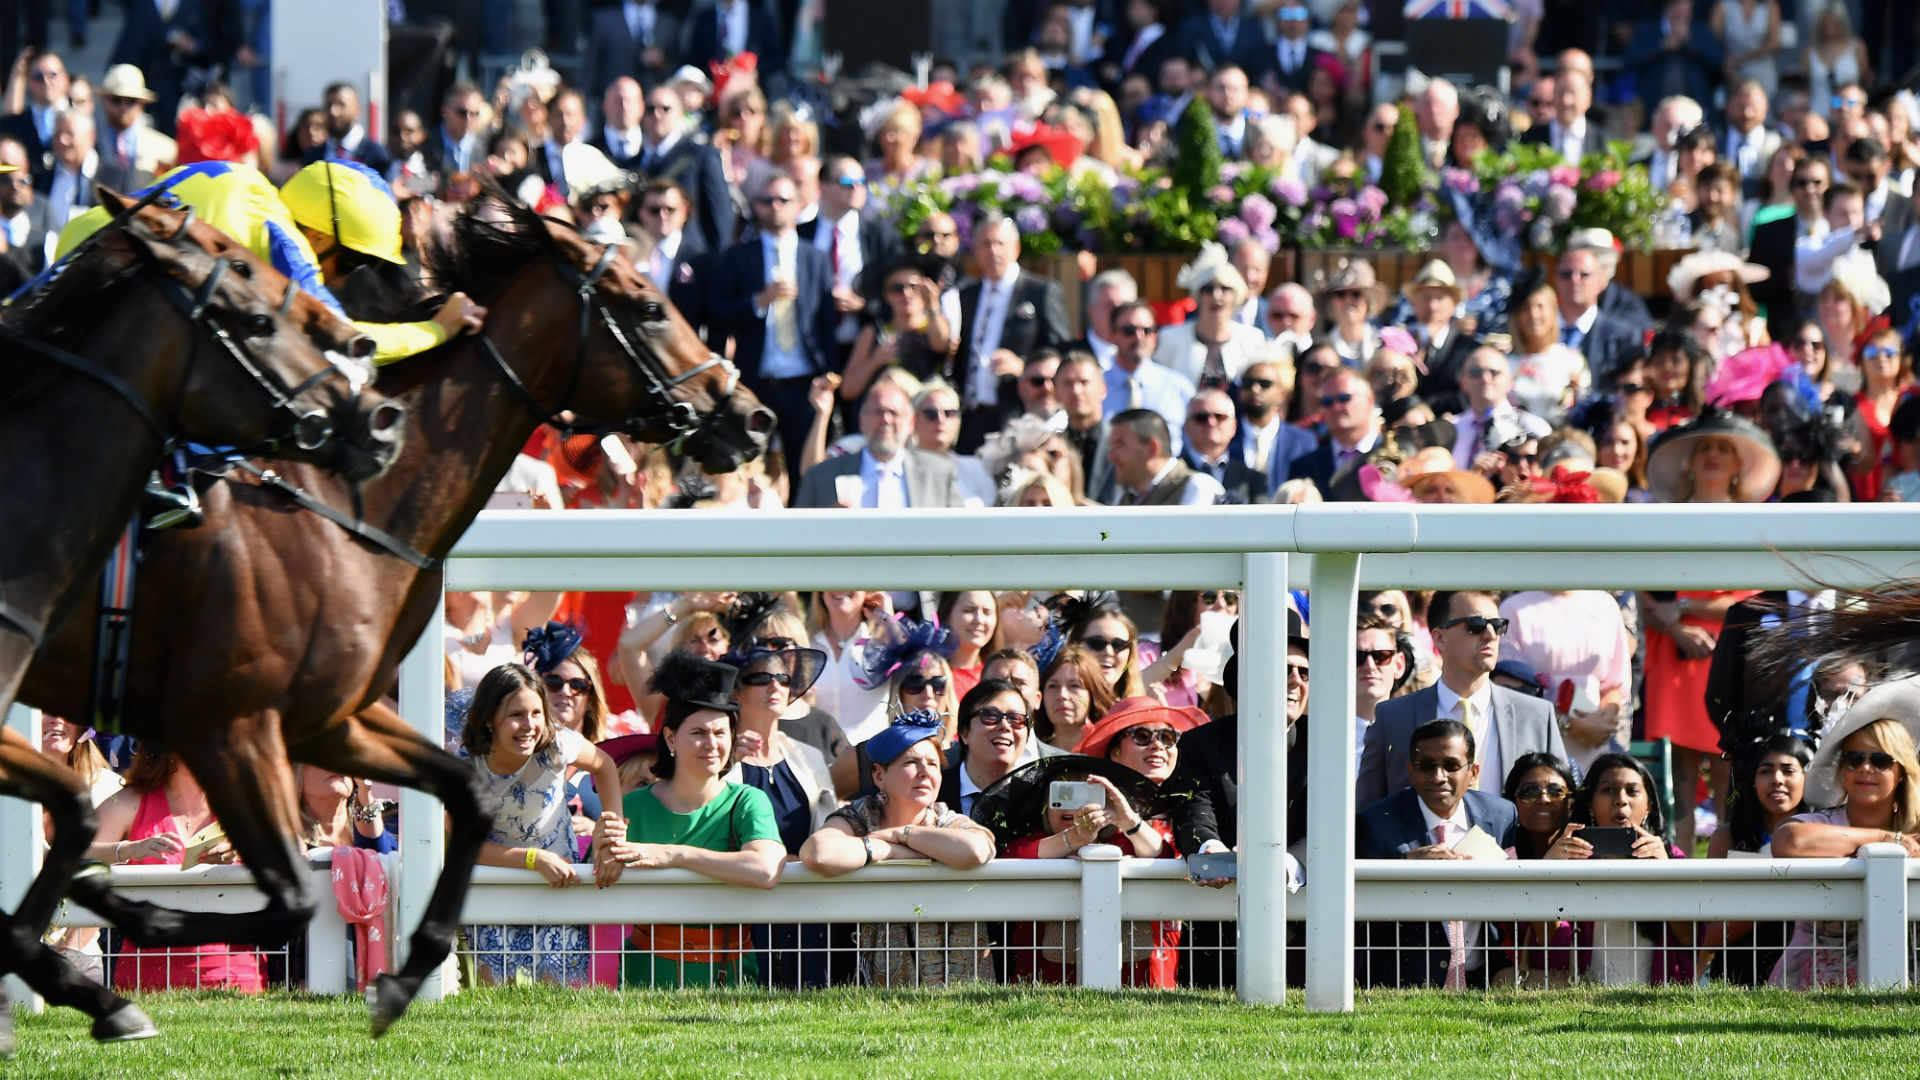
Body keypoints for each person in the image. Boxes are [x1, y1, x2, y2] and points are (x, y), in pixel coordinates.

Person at [599, 652, 785, 988]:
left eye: (721, 732)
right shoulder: (633, 806)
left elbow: (767, 870)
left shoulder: (748, 800)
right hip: (647, 977)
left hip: (728, 981)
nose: (711, 744)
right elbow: (599, 880)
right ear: (670, 738)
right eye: (698, 732)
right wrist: (603, 850)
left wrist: (674, 855)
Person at [1641, 411, 1779, 849]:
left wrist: (1683, 608)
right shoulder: (1662, 518)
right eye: (1705, 448)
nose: (1714, 456)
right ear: (1689, 461)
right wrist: (1673, 623)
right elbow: (1639, 584)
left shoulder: (1750, 522)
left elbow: (1751, 598)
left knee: (1727, 769)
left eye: (1724, 448)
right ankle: (1677, 871)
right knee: (1674, 775)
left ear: (1739, 464)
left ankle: (1725, 879)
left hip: (1727, 653)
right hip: (1672, 656)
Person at [799, 711, 996, 987]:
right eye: (911, 762)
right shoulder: (859, 817)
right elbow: (819, 853)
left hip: (954, 991)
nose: (925, 772)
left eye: (933, 764)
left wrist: (903, 835)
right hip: (865, 988)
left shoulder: (944, 819)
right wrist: (887, 850)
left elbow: (977, 850)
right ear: (879, 775)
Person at [1167, 612, 1310, 988]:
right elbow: (1190, 807)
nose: (1295, 681)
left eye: (1304, 672)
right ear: (1247, 678)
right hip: (1213, 936)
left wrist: (1286, 862)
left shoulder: (1325, 743)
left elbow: (1332, 825)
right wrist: (1209, 848)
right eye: (1284, 669)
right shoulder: (1200, 744)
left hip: (1309, 936)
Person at [463, 663, 623, 986]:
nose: (530, 725)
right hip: (498, 883)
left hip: (560, 882)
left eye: (537, 713)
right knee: (494, 995)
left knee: (559, 992)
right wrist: (533, 859)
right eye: (516, 715)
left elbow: (604, 767)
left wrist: (611, 832)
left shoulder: (558, 745)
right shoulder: (467, 767)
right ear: (489, 718)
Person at [1770, 682, 1920, 987]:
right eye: (1855, 759)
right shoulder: (1819, 821)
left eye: (1880, 760)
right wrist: (1885, 839)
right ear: (1843, 770)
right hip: (1807, 985)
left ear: (1901, 770)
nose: (1866, 768)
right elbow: (1789, 842)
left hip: (1904, 983)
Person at [1359, 591, 1568, 808]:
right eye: (1475, 625)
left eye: (1496, 625)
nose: (1490, 635)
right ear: (1440, 637)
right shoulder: (1393, 716)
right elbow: (1368, 811)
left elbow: (1561, 801)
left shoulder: (1536, 715)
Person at [1356, 718, 1520, 988]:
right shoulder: (1375, 823)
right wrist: (1403, 866)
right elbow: (1360, 906)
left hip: (1484, 979)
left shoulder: (1501, 815)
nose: (1438, 776)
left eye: (1451, 766)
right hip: (1403, 987)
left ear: (1474, 772)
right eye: (1426, 766)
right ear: (1411, 771)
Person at [88, 746, 263, 992]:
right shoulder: (128, 800)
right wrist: (126, 850)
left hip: (235, 975)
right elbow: (70, 851)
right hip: (145, 975)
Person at [712, 172, 839, 482]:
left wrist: (830, 373)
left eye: (784, 200)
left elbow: (825, 322)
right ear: (756, 206)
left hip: (804, 385)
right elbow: (717, 313)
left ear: (799, 205)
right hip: (757, 383)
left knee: (806, 473)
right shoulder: (738, 257)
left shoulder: (815, 257)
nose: (776, 207)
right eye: (767, 200)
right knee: (748, 471)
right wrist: (759, 301)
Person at [723, 643, 836, 988]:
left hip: (805, 905)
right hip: (738, 906)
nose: (775, 686)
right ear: (737, 691)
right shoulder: (716, 755)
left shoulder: (809, 756)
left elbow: (830, 826)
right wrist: (727, 759)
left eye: (783, 678)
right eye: (761, 677)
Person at [1546, 752, 1692, 984]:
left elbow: (1691, 939)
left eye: (1632, 791)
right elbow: (1551, 945)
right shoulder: (1571, 860)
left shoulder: (1671, 857)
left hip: (1657, 999)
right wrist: (1547, 872)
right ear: (1591, 804)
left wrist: (1665, 874)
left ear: (1648, 806)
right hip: (1582, 998)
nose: (1621, 800)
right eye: (1609, 790)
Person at [1700, 733, 1811, 985]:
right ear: (1751, 780)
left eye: (1788, 770)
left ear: (1807, 778)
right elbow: (1707, 936)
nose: (1777, 780)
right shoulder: (1727, 836)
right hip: (1737, 972)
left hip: (1808, 969)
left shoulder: (1824, 833)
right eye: (1765, 771)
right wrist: (1771, 900)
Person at [954, 214, 1072, 452]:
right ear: (975, 251)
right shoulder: (967, 294)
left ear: (1016, 249)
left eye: (1000, 244)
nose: (993, 251)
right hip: (970, 416)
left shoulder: (1041, 291)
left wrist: (1024, 368)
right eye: (986, 244)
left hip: (1017, 414)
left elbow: (1061, 351)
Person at [1498, 589, 1633, 777]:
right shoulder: (1512, 608)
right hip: (1536, 740)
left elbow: (1616, 682)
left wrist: (1603, 720)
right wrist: (1566, 723)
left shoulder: (1605, 604)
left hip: (1593, 742)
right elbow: (1508, 688)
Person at [793, 381, 966, 508]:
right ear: (861, 421)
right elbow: (799, 538)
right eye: (878, 412)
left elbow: (960, 536)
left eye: (894, 413)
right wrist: (830, 525)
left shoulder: (939, 473)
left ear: (911, 423)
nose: (886, 420)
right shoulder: (822, 475)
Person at [1500, 753, 1581, 985]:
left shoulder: (1587, 857)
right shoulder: (1500, 856)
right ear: (1511, 801)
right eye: (1530, 792)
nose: (1543, 799)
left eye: (1556, 791)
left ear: (1571, 802)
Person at [634, 82, 732, 254]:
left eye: (665, 109)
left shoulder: (702, 155)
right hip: (643, 259)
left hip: (689, 263)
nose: (657, 114)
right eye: (650, 109)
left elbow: (721, 217)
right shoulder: (634, 162)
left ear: (680, 113)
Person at [1154, 242, 1267, 388]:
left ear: (1236, 295)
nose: (1216, 296)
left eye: (1225, 289)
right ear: (1198, 296)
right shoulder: (1170, 338)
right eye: (1208, 289)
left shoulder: (1253, 339)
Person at [841, 254, 952, 398]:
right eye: (897, 288)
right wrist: (874, 361)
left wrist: (933, 305)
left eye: (915, 286)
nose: (906, 293)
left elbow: (942, 344)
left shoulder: (936, 323)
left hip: (927, 414)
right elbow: (848, 390)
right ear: (886, 295)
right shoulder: (873, 332)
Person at [1103, 299, 1197, 446]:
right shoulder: (1096, 388)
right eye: (1129, 331)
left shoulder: (1178, 387)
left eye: (1147, 330)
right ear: (1112, 335)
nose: (1139, 337)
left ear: (1155, 335)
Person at [940, 678, 1036, 817]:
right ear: (964, 733)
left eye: (1015, 719)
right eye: (990, 716)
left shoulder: (1038, 799)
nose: (1005, 726)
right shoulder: (933, 791)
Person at [1288, 367, 1381, 499]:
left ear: (1370, 401)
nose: (1336, 407)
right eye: (1327, 402)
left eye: (1344, 398)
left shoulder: (1396, 456)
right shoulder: (1304, 466)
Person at [1108, 408, 1227, 506]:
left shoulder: (1198, 488)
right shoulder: (1125, 499)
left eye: (1120, 445)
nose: (1110, 456)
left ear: (1151, 448)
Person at [1234, 359, 1316, 497]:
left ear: (1282, 394)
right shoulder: (1225, 437)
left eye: (1264, 384)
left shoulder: (1304, 441)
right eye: (1247, 383)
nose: (1255, 389)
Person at [1352, 613, 1410, 773]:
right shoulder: (1314, 736)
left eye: (1381, 656)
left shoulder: (1418, 733)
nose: (1369, 665)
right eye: (1357, 657)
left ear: (1399, 665)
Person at [1036, 644, 1117, 754]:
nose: (1062, 695)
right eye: (1053, 686)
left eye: (1074, 685)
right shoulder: (1030, 755)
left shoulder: (1112, 754)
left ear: (1093, 694)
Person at [97, 65, 175, 178]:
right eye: (116, 100)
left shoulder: (165, 149)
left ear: (141, 105)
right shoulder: (87, 142)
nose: (123, 107)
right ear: (104, 101)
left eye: (131, 101)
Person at [294, 766, 394, 854]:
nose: (335, 763)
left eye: (342, 756)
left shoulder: (394, 824)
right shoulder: (287, 844)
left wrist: (365, 790)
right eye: (320, 756)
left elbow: (378, 858)